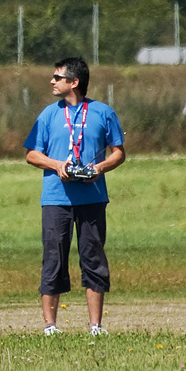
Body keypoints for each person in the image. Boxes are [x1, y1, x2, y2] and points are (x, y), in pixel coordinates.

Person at [24, 56, 125, 337]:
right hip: (56, 199)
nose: (52, 81)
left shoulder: (103, 112)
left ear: (74, 82)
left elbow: (118, 152)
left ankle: (95, 326)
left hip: (92, 198)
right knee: (53, 258)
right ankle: (50, 327)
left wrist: (99, 168)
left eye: (58, 77)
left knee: (93, 259)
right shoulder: (48, 114)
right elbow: (32, 154)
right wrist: (57, 165)